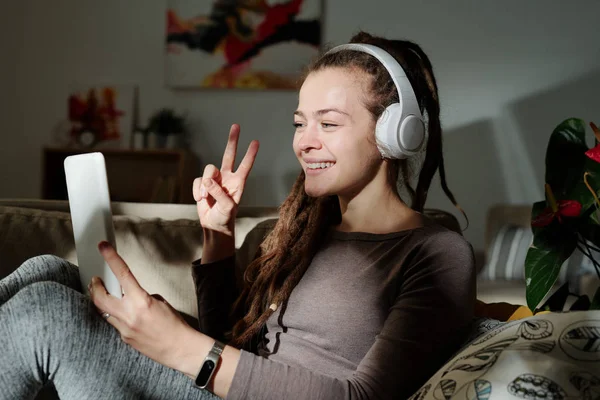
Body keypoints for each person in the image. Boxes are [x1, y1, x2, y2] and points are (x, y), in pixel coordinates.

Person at [0, 31, 475, 400]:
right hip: (212, 384)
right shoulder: (299, 233)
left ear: (395, 134)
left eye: (328, 123)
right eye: (299, 122)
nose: (305, 141)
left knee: (47, 314)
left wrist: (182, 347)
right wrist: (218, 235)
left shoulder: (434, 253)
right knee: (50, 271)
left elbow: (364, 395)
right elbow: (228, 341)